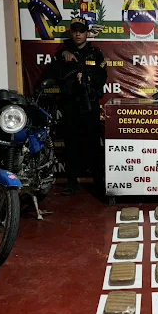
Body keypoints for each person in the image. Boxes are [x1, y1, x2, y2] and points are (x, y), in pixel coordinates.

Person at [45, 17, 107, 195]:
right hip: (70, 105)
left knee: (94, 145)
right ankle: (72, 182)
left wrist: (86, 75)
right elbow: (54, 75)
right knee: (71, 145)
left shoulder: (96, 54)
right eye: (75, 31)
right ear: (71, 32)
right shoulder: (61, 54)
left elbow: (102, 78)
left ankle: (98, 183)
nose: (78, 34)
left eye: (81, 31)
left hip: (89, 105)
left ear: (87, 33)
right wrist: (66, 61)